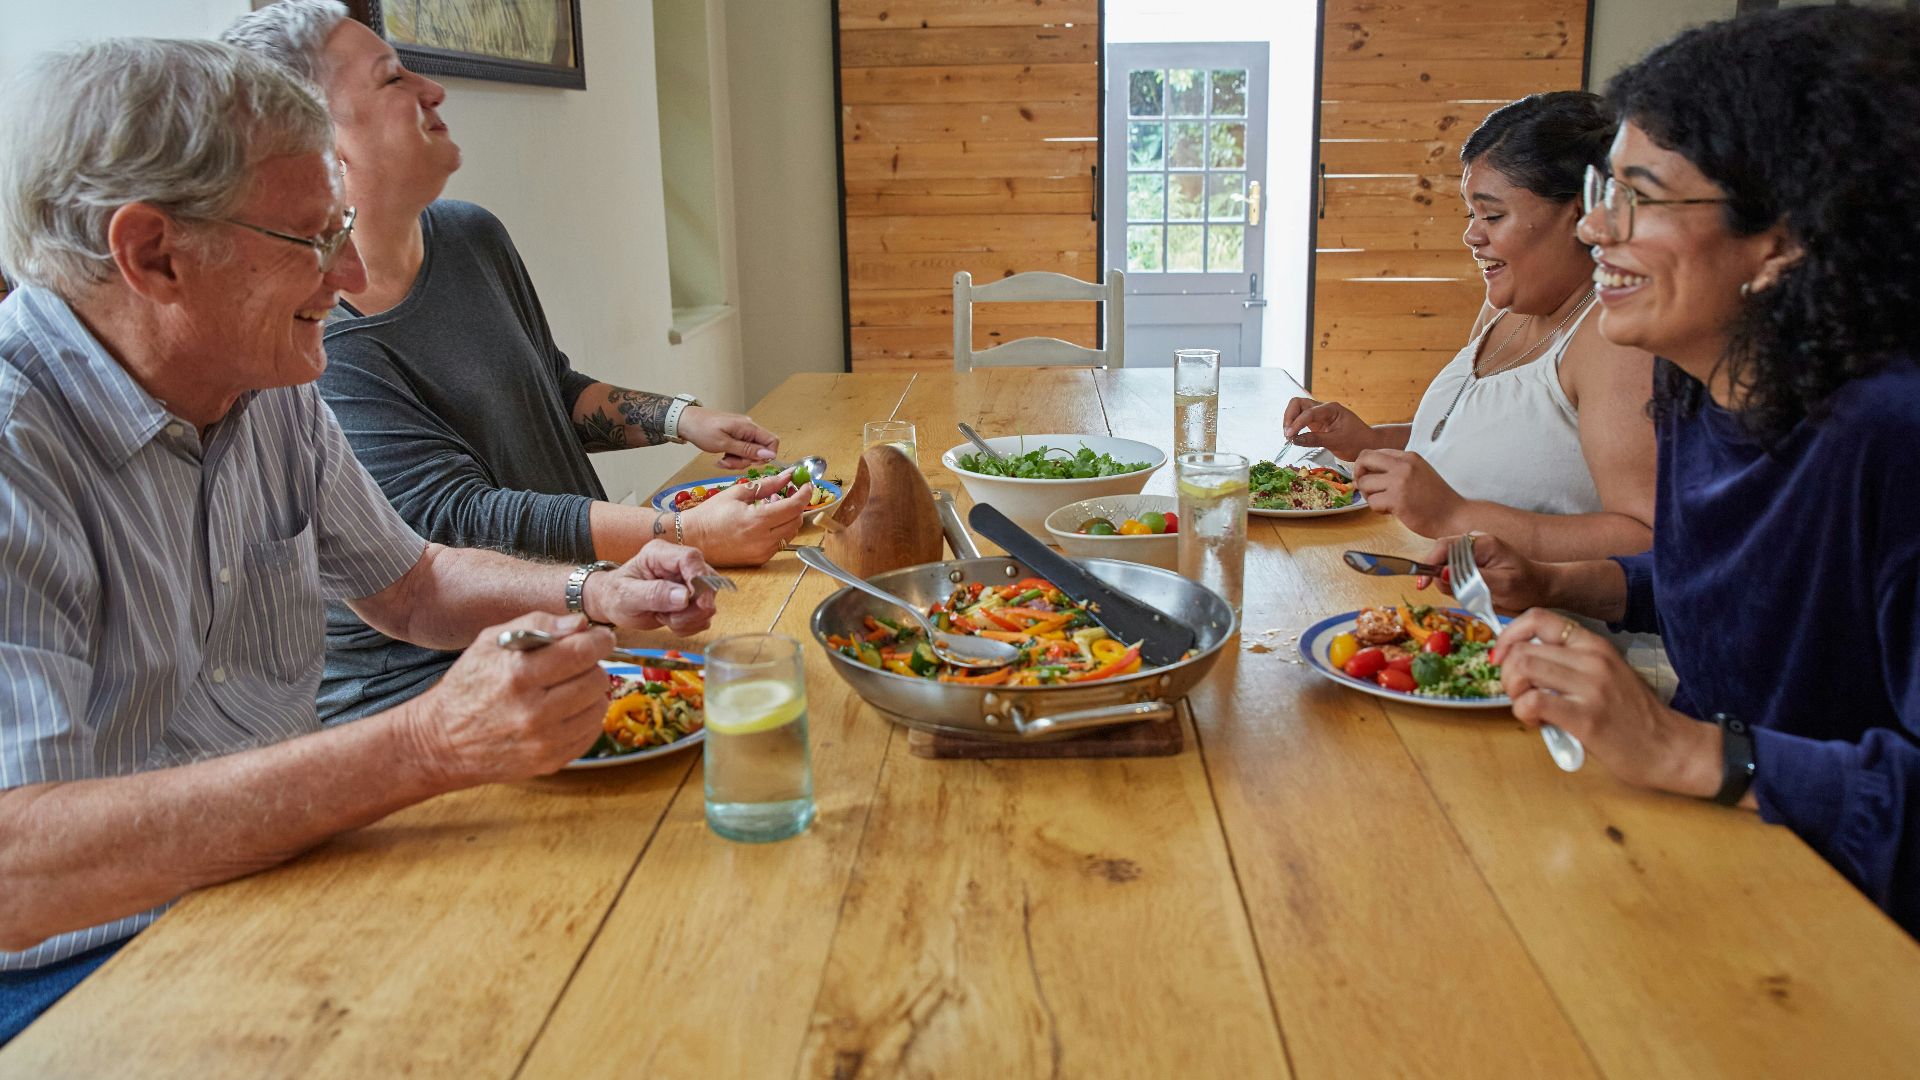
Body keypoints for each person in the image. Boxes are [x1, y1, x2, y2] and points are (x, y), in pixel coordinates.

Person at [0, 39, 717, 1039]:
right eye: (308, 237)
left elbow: (412, 587)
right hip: (76, 966)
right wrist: (424, 744)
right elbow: (16, 868)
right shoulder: (15, 446)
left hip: (275, 874)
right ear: (152, 253)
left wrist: (591, 592)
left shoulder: (265, 377)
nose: (345, 272)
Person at [1427, 7, 1920, 936]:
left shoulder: (1892, 438)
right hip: (1715, 846)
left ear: (1783, 237)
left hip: (1853, 926)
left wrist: (1692, 751)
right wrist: (1559, 581)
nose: (1597, 230)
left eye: (1640, 198)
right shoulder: (1697, 381)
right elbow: (1735, 592)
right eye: (1598, 189)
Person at [220, 1, 810, 724]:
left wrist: (683, 419)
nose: (431, 90)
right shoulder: (319, 340)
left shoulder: (470, 235)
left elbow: (548, 390)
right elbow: (456, 520)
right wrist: (681, 532)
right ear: (319, 143)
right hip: (435, 691)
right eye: (392, 79)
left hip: (579, 630)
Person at [1283, 92, 1657, 562]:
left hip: (1523, 624)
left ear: (1582, 215)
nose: (1471, 235)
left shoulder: (1612, 341)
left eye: (1493, 215)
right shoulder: (1505, 308)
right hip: (1424, 590)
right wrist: (1370, 442)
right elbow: (1477, 445)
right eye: (1471, 214)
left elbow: (1646, 540)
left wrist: (1456, 518)